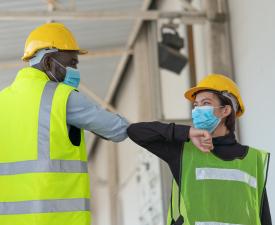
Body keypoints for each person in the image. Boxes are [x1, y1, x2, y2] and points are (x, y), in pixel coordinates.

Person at [0, 23, 128, 225]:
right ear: (49, 62)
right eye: (72, 63)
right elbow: (118, 130)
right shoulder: (61, 97)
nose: (75, 70)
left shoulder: (2, 101)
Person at [127, 74, 272, 225]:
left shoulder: (253, 160)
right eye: (196, 105)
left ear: (226, 110)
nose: (197, 110)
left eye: (205, 103)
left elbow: (264, 217)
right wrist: (187, 132)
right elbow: (135, 131)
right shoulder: (184, 151)